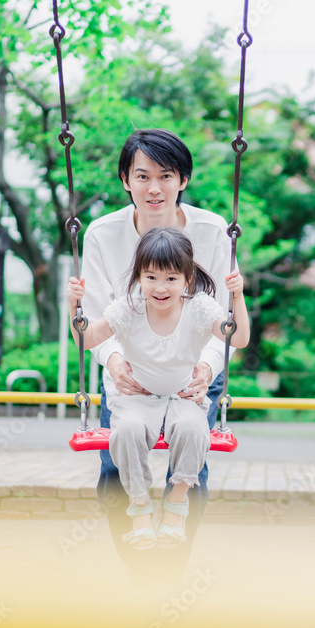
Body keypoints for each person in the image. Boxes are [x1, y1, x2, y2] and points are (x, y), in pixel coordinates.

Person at [80, 129, 234, 578]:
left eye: (166, 176)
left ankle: (172, 566)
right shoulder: (102, 235)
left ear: (182, 179)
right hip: (129, 373)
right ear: (125, 179)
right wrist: (112, 361)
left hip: (193, 369)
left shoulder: (211, 231)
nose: (154, 188)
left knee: (191, 469)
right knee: (114, 469)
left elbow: (221, 321)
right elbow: (93, 319)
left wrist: (207, 366)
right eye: (142, 175)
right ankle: (138, 562)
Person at [68, 227, 250, 549]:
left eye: (170, 278)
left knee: (195, 431)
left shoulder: (200, 306)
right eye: (151, 277)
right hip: (137, 398)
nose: (160, 287)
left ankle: (176, 506)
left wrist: (237, 296)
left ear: (187, 278)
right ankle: (139, 507)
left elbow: (237, 338)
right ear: (139, 276)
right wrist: (75, 308)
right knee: (125, 433)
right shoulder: (129, 306)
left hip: (183, 397)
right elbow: (89, 339)